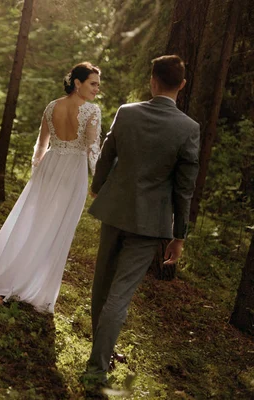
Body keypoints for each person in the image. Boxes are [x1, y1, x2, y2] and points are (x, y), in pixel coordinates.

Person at [82, 55, 200, 391]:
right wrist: (179, 236)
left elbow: (107, 154)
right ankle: (96, 368)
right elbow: (184, 188)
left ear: (152, 81)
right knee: (119, 294)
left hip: (115, 210)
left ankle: (99, 354)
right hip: (150, 224)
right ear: (181, 85)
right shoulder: (188, 129)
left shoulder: (127, 112)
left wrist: (97, 188)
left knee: (102, 284)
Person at [0, 62, 102, 313]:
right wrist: (98, 180)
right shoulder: (92, 111)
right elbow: (92, 150)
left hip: (49, 167)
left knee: (34, 223)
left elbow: (41, 147)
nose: (97, 89)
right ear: (78, 83)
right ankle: (35, 287)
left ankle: (16, 274)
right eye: (93, 83)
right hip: (73, 173)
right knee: (58, 228)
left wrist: (37, 175)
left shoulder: (52, 107)